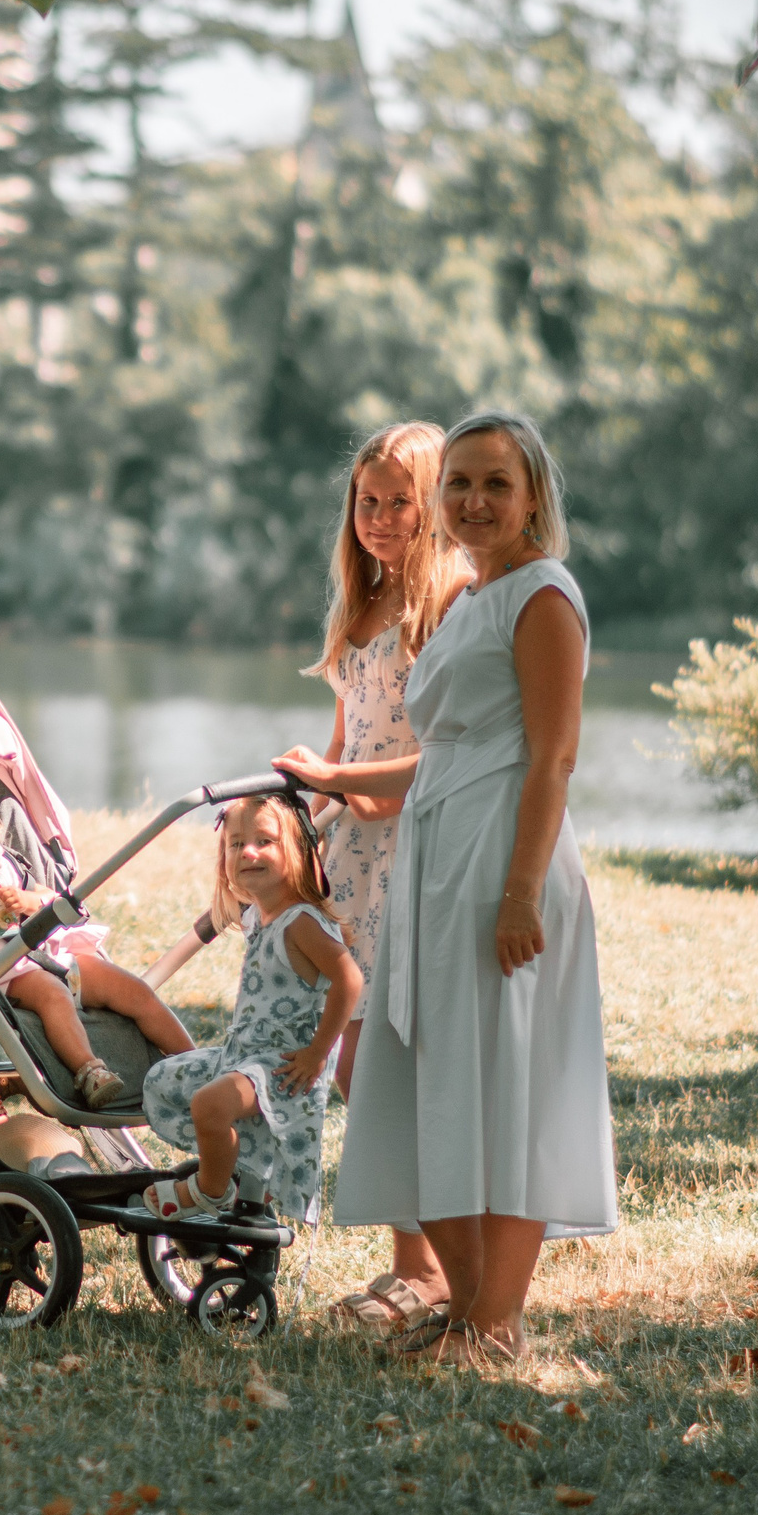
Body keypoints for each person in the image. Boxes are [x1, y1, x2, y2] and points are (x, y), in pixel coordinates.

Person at [278, 408, 617, 1366]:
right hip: (434, 857)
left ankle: (497, 1322)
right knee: (430, 1076)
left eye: (494, 483)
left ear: (532, 496)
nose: (471, 499)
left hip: (500, 859)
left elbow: (552, 758)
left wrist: (520, 893)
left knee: (504, 1084)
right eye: (458, 482)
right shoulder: (469, 596)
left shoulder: (541, 595)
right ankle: (466, 1314)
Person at [283, 422, 467, 1338]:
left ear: (434, 505)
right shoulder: (361, 608)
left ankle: (433, 1267)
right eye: (368, 503)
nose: (383, 519)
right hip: (353, 860)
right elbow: (348, 743)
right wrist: (297, 811)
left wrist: (338, 784)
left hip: (416, 857)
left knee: (391, 1063)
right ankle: (422, 1260)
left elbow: (434, 761)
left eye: (401, 501)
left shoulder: (445, 602)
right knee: (360, 1061)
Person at [0, 774, 193, 1107]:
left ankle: (197, 1061)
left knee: (134, 991)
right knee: (53, 995)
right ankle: (90, 1070)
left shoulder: (5, 866)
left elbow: (49, 898)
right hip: (5, 975)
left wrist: (25, 901)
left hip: (53, 955)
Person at [132, 794, 357, 1226]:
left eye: (264, 841)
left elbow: (349, 979)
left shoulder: (301, 921)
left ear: (296, 853)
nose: (248, 852)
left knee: (210, 1106)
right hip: (245, 1053)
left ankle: (209, 1192)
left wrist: (318, 1053)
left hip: (283, 1063)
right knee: (164, 1077)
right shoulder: (260, 914)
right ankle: (227, 1171)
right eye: (236, 844)